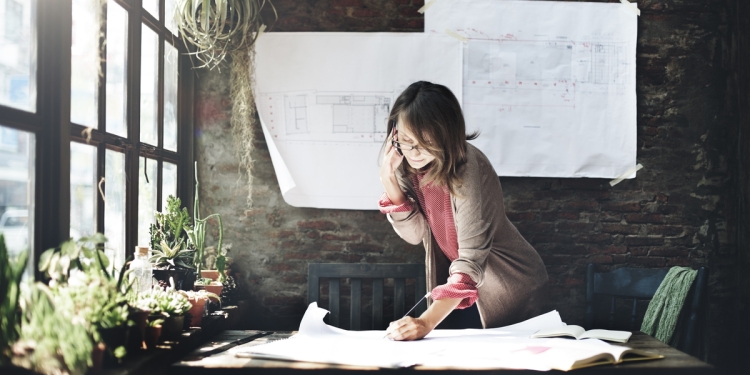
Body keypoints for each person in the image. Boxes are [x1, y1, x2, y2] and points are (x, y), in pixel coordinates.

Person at [380, 81, 549, 341]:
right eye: (404, 140)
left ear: (446, 134)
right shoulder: (405, 165)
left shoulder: (467, 166)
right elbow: (415, 235)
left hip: (507, 285)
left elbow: (470, 258)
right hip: (458, 284)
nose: (414, 152)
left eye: (424, 142)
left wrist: (425, 322)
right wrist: (389, 179)